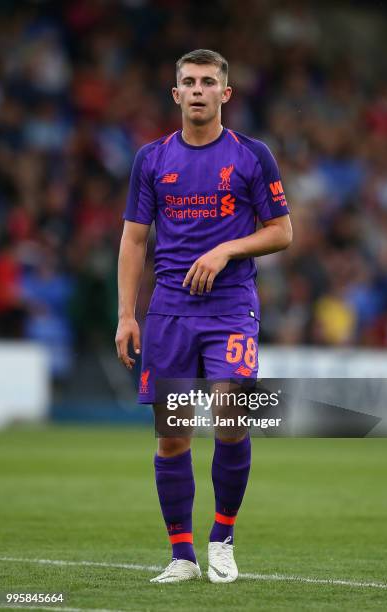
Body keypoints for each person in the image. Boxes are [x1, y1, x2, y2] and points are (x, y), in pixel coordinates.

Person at [115, 49, 292, 584]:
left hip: (232, 306)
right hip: (169, 309)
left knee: (230, 415)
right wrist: (127, 314)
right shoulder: (151, 159)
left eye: (207, 82)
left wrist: (226, 250)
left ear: (225, 94)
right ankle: (182, 555)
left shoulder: (251, 155)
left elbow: (282, 231)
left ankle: (223, 538)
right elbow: (133, 240)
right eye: (188, 82)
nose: (197, 89)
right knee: (172, 437)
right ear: (176, 94)